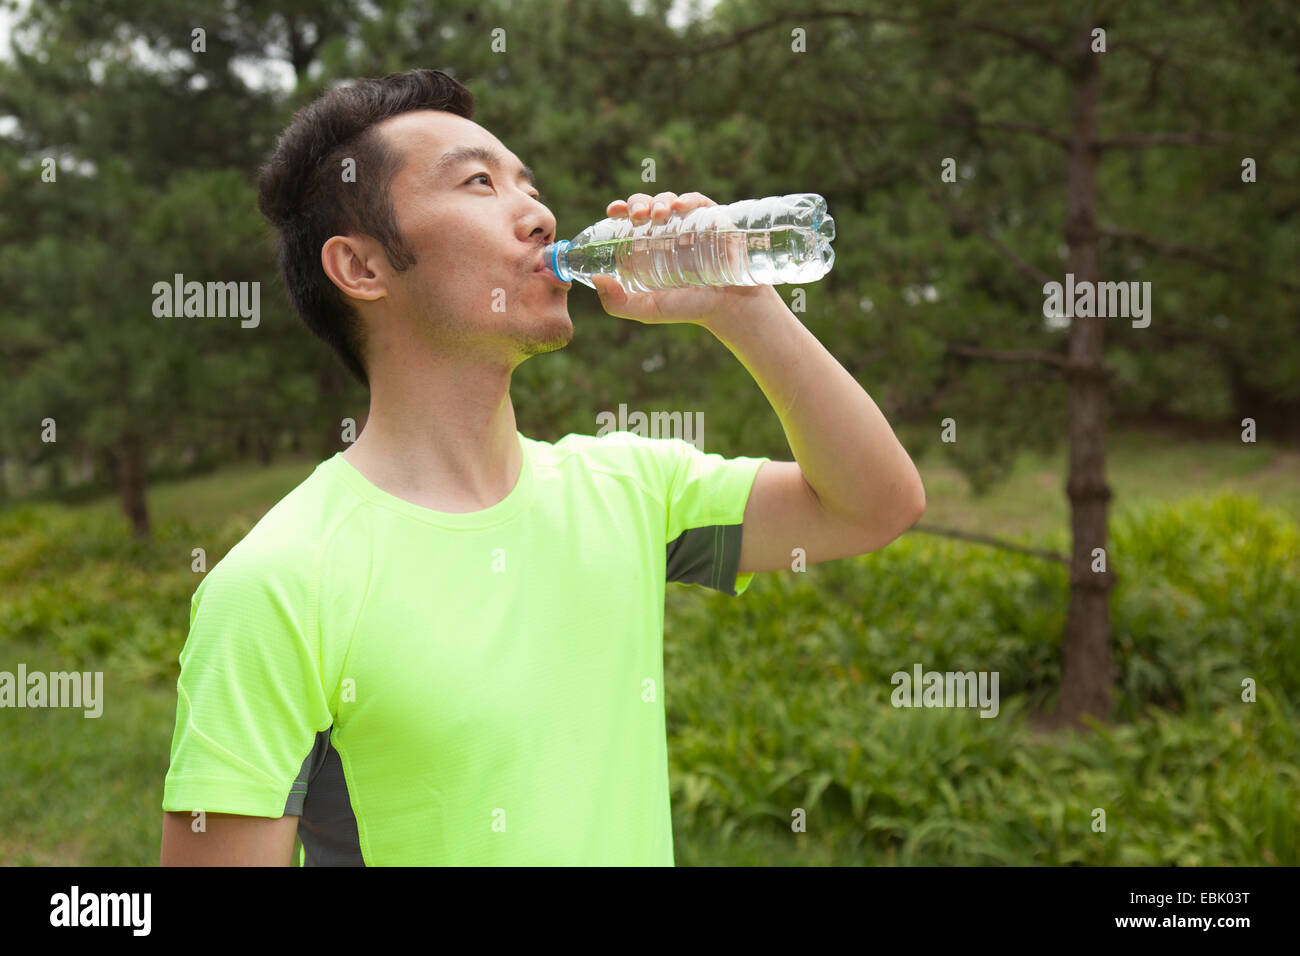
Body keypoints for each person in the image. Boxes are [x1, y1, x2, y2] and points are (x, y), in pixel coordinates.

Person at [159, 68, 925, 866]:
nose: (539, 214)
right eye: (480, 183)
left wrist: (743, 307)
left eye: (529, 183)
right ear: (362, 268)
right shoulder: (279, 583)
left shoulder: (629, 491)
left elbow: (874, 505)